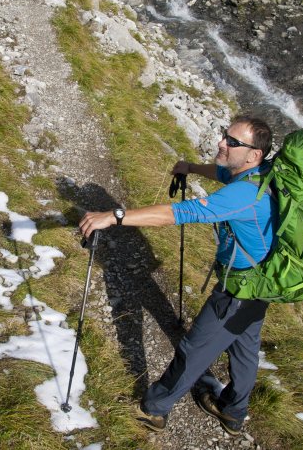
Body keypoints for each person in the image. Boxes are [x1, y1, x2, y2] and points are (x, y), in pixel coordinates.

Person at [78, 115, 277, 435]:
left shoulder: (243, 195)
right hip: (263, 282)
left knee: (194, 349)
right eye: (224, 135)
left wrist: (115, 216)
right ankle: (233, 411)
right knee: (244, 348)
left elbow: (180, 213)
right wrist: (192, 167)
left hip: (238, 290)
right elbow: (223, 172)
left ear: (254, 154)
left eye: (232, 142)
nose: (221, 143)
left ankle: (154, 410)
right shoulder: (258, 174)